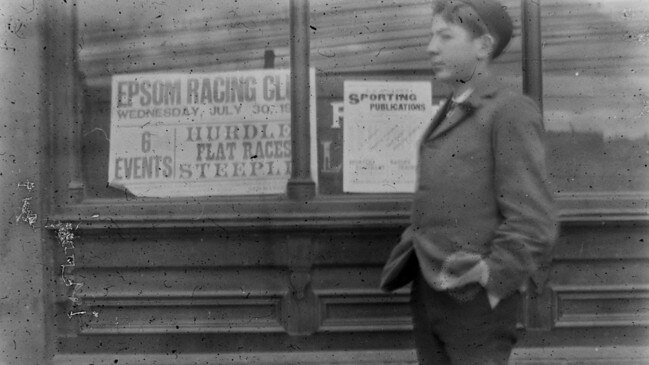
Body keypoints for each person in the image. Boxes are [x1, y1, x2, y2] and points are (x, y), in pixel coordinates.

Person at [380, 0, 559, 364]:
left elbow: (534, 219)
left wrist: (492, 279)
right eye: (432, 36)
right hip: (432, 295)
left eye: (445, 36)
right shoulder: (452, 108)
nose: (431, 47)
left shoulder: (509, 110)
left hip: (475, 303)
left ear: (483, 45)